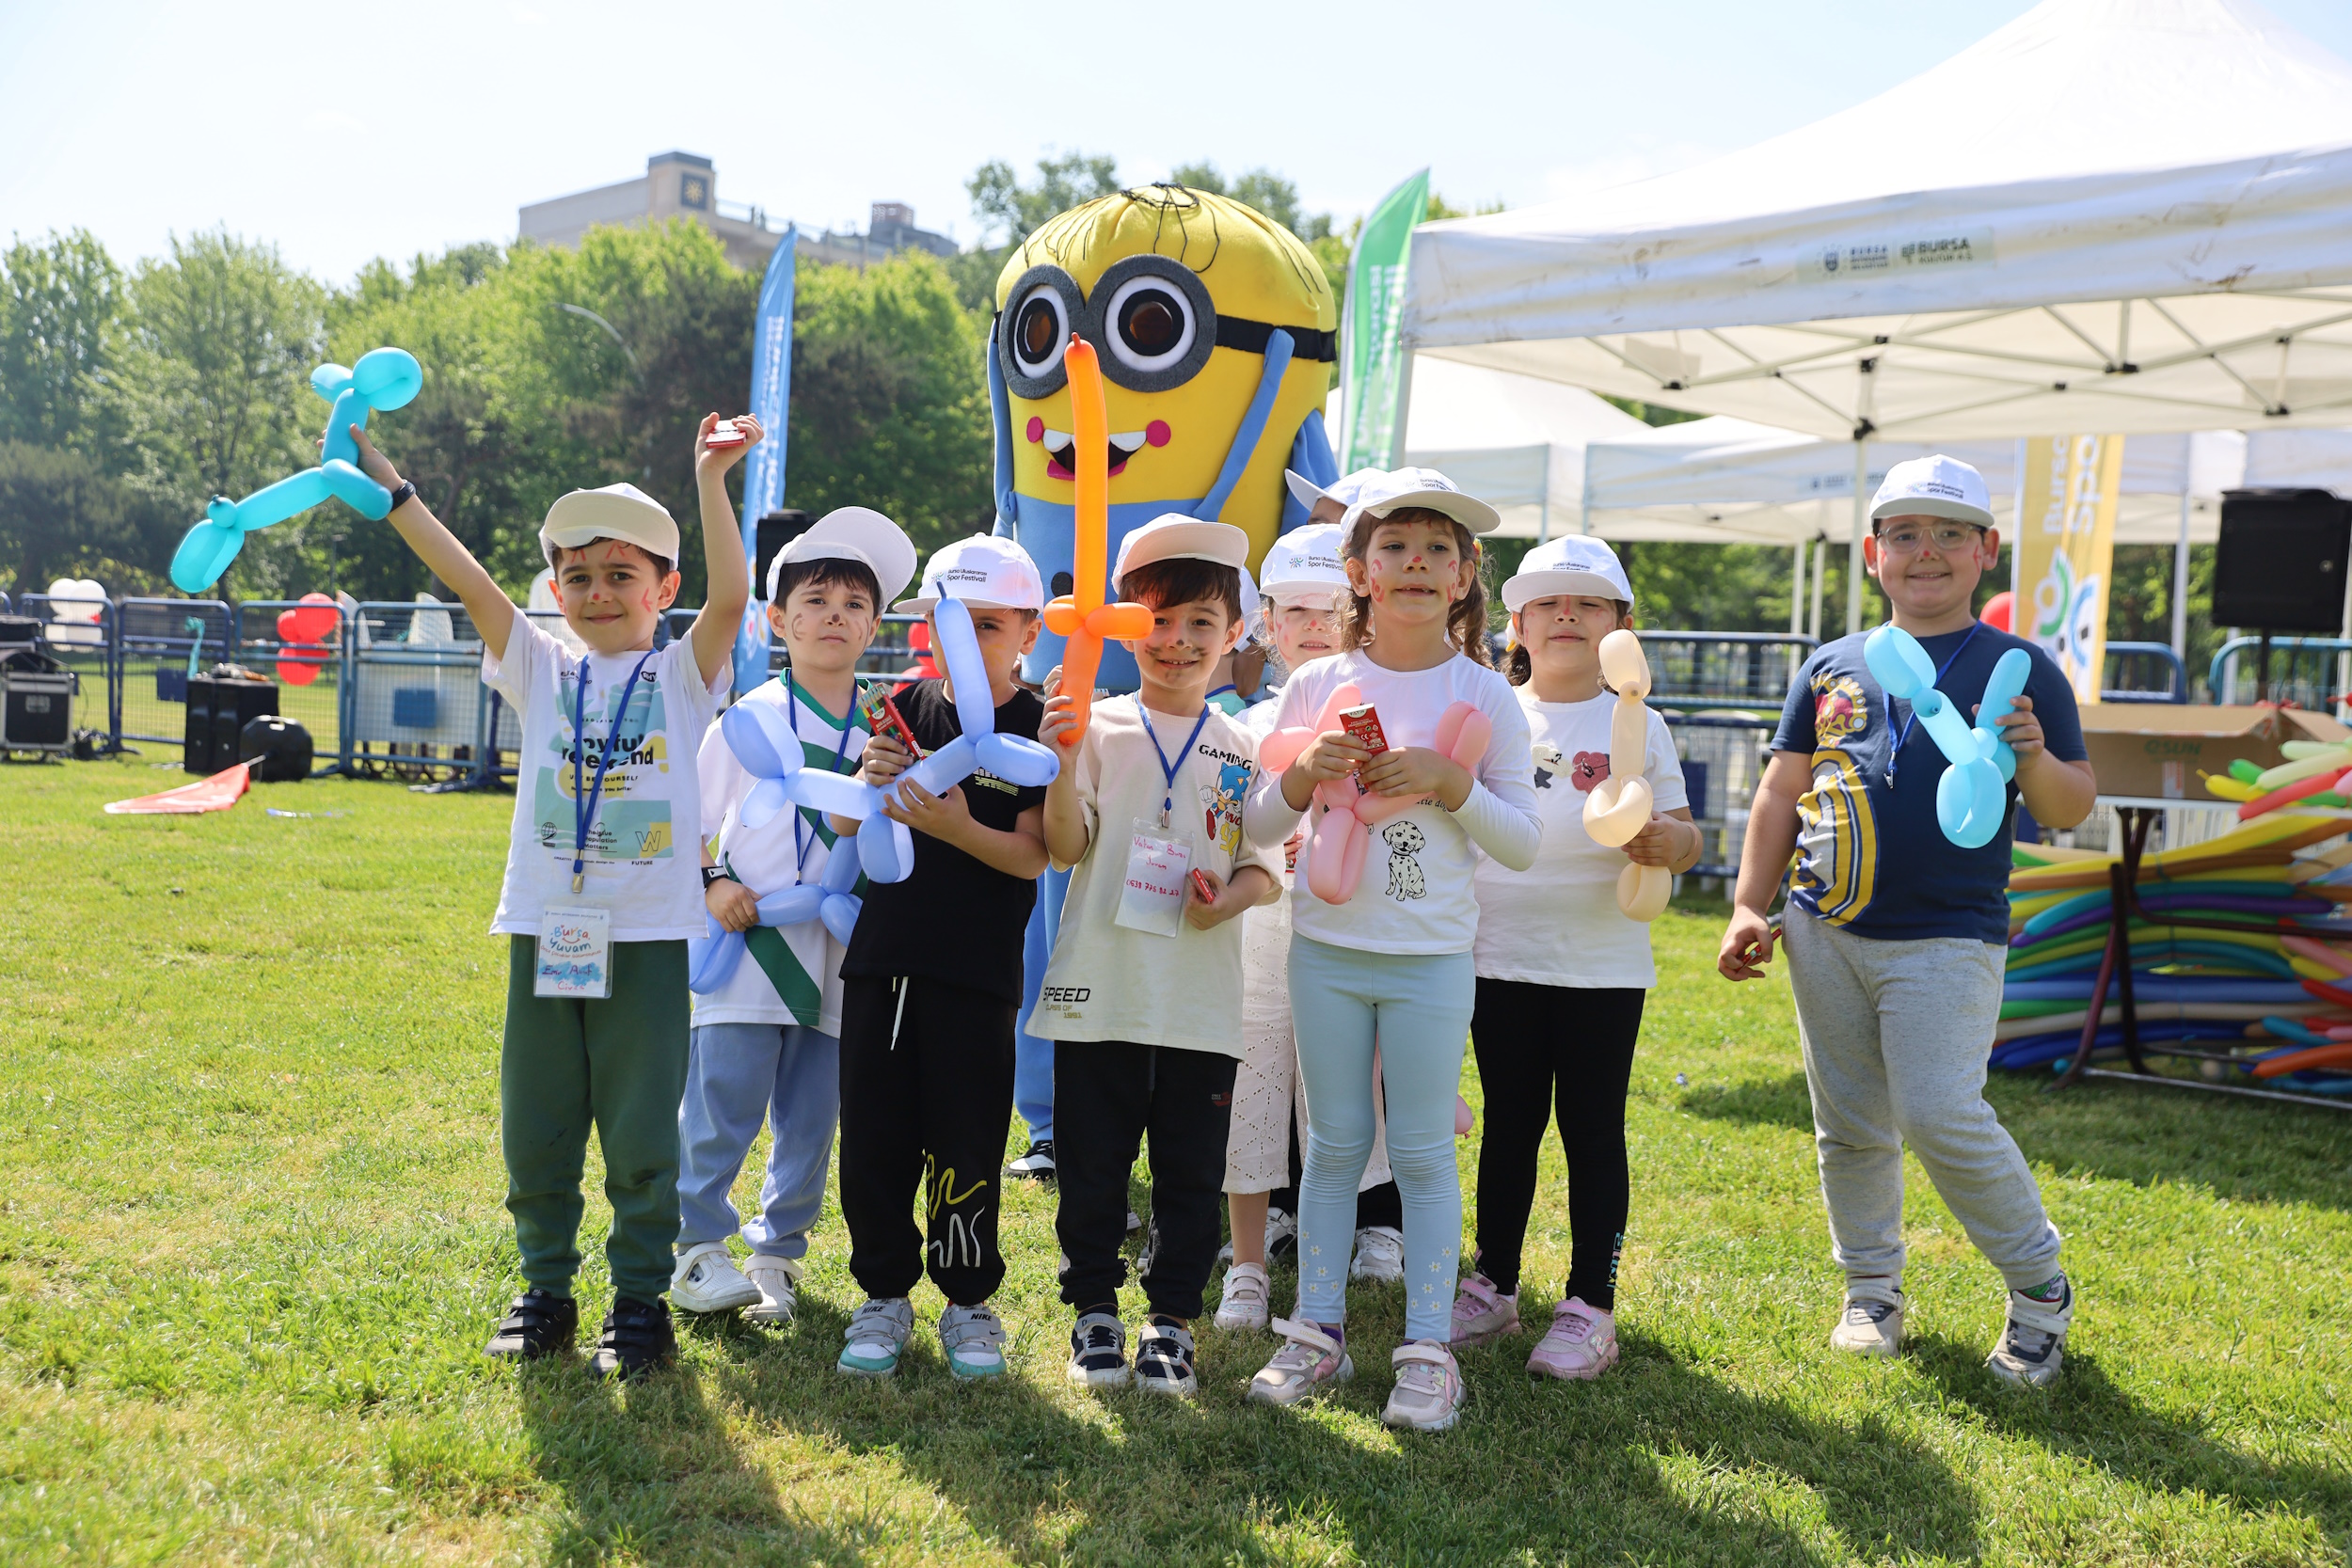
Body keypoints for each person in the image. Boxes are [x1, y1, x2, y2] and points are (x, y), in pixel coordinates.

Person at [354, 412, 753, 1379]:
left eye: (622, 574)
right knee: (536, 1119)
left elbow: (735, 595)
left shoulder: (679, 674)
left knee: (642, 1127)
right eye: (577, 575)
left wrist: (710, 480)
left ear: (663, 588)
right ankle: (545, 1289)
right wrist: (386, 481)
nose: (597, 591)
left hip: (651, 940)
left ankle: (639, 1299)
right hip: (546, 930)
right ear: (555, 591)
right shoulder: (541, 665)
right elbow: (465, 577)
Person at [1717, 454, 2096, 1389]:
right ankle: (1871, 1288)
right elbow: (1779, 791)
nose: (1925, 552)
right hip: (1822, 928)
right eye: (1904, 535)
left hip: (1948, 937)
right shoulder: (1829, 665)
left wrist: (2034, 755)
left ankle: (2039, 1287)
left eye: (1949, 533)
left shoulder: (2024, 671)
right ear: (1871, 553)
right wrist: (1746, 902)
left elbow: (2071, 803)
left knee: (1937, 1111)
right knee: (1846, 1124)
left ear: (1986, 553)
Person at [1242, 467, 1542, 1431]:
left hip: (1428, 962)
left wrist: (1453, 785)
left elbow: (1523, 842)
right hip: (1325, 949)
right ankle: (1315, 1328)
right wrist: (1301, 782)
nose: (1415, 562)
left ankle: (1425, 1347)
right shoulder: (1317, 681)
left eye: (1436, 549)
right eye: (1395, 546)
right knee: (1330, 1145)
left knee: (1416, 1149)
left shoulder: (1486, 697)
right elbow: (1254, 822)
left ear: (1464, 576)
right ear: (1359, 571)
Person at [1030, 515, 1279, 1396]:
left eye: (1200, 625)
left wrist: (1226, 904)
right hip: (1101, 994)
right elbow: (1063, 848)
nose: (1176, 643)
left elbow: (1263, 871)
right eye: (1157, 621)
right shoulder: (1094, 726)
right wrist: (1061, 762)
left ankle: (1170, 1322)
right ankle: (1093, 1311)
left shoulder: (1242, 747)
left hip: (1200, 1004)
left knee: (1189, 1173)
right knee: (1091, 1165)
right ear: (1126, 622)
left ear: (1234, 634)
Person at [1450, 537, 1700, 1379]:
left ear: (1620, 628)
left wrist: (1669, 840)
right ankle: (1493, 1282)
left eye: (1589, 604)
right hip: (1496, 956)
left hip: (1600, 967)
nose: (1567, 615)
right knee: (1509, 1126)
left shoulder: (1639, 722)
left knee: (1592, 1130)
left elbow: (1687, 831)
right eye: (1548, 603)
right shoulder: (1491, 710)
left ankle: (1591, 1302)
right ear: (1515, 623)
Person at [672, 508, 916, 1326]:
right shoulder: (750, 714)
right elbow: (684, 820)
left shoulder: (889, 725)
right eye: (814, 600)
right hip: (747, 946)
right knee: (723, 1105)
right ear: (777, 620)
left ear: (875, 625)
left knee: (812, 1121)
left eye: (853, 603)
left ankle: (777, 1255)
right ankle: (699, 1246)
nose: (833, 616)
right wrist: (710, 882)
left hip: (840, 955)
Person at [831, 535, 1053, 1380]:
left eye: (991, 624)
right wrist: (871, 776)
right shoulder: (903, 704)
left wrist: (958, 826)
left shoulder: (1035, 726)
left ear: (1028, 629)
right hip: (882, 962)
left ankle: (967, 1300)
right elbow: (852, 826)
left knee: (967, 1139)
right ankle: (882, 1293)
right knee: (876, 1137)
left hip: (976, 973)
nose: (972, 639)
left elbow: (1033, 854)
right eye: (954, 621)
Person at [1216, 511, 1404, 1335]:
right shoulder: (1242, 726)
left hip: (1355, 932)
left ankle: (1372, 1234)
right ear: (1265, 624)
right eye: (1295, 610)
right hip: (1260, 932)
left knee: (1356, 1093)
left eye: (1332, 607)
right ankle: (1249, 1267)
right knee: (1252, 1089)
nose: (1316, 625)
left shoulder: (1382, 716)